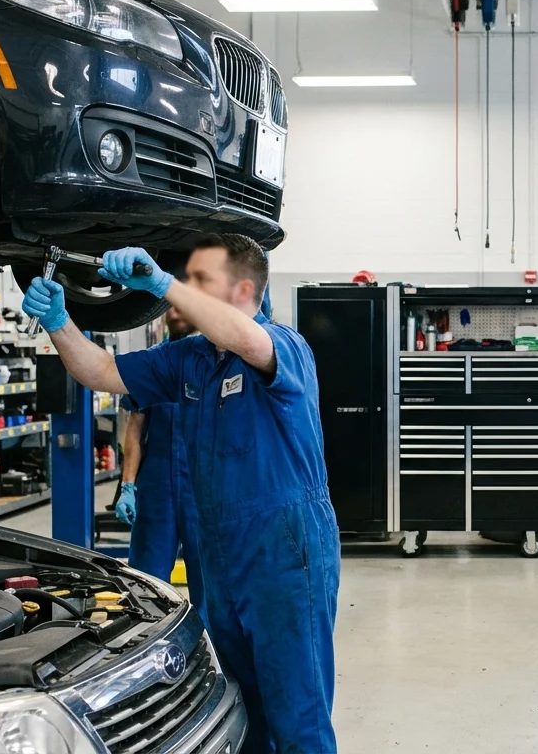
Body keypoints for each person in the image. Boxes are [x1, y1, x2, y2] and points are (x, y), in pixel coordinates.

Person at [20, 235, 340, 754]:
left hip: (284, 558)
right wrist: (59, 322)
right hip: (219, 559)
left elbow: (245, 337)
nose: (185, 290)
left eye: (200, 280)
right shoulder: (191, 358)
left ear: (243, 291)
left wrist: (160, 281)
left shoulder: (283, 346)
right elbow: (103, 371)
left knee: (297, 714)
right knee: (240, 706)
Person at [116, 306, 207, 625]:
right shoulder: (153, 363)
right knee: (147, 582)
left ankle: (210, 647)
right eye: (171, 305)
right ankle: (148, 642)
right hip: (156, 487)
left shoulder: (211, 362)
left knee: (212, 583)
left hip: (203, 488)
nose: (176, 312)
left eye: (184, 305)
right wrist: (128, 486)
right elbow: (135, 427)